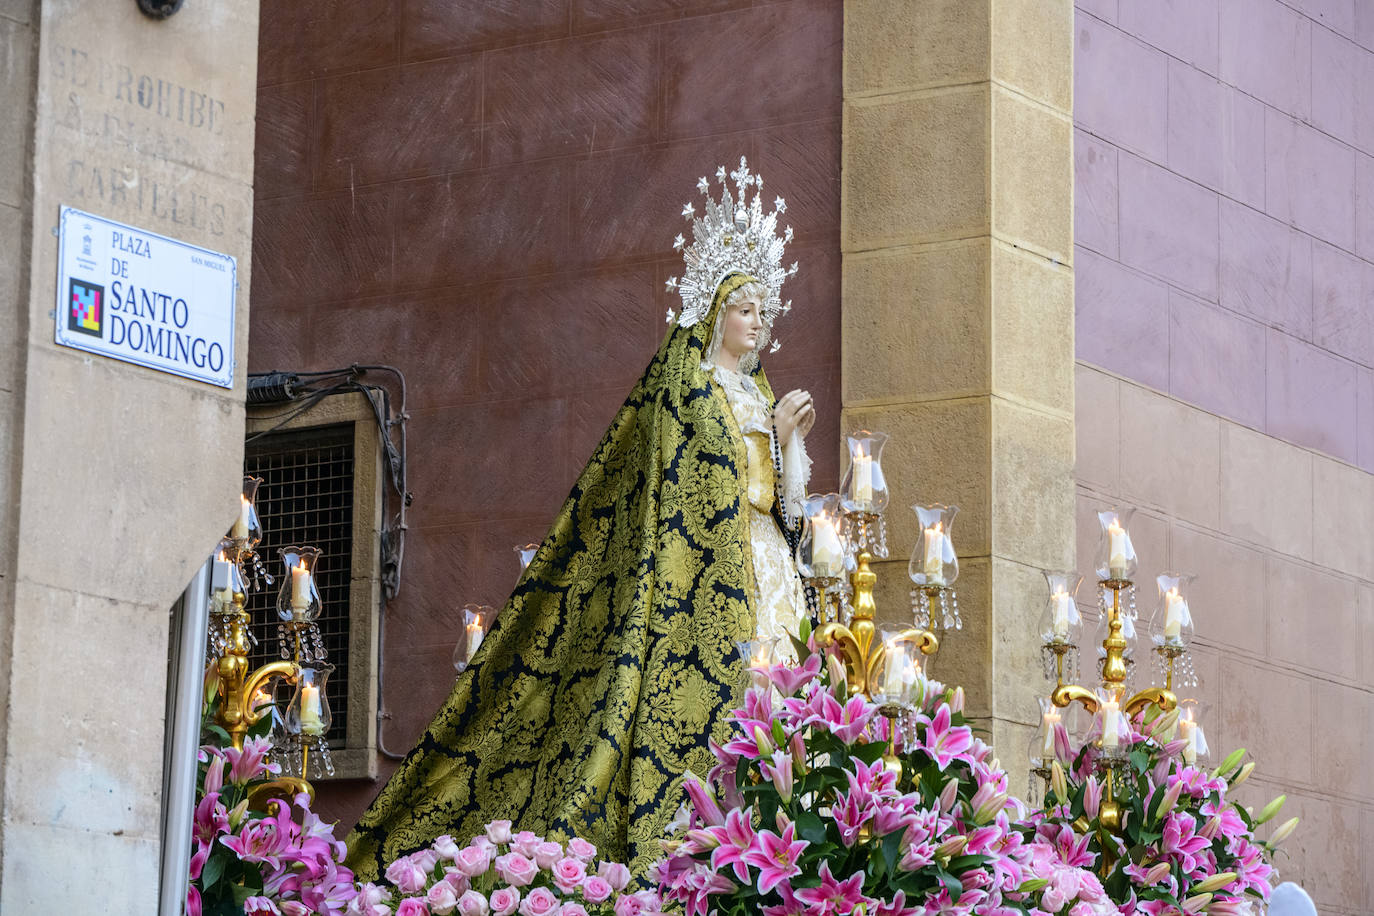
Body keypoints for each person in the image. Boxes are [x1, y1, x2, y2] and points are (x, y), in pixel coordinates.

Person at [345, 158, 812, 881]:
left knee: (784, 704)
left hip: (765, 565)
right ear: (717, 313)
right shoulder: (690, 390)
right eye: (745, 309)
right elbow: (685, 489)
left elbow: (780, 504)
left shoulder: (760, 393)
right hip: (706, 571)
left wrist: (785, 438)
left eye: (762, 311)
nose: (757, 323)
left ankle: (777, 831)